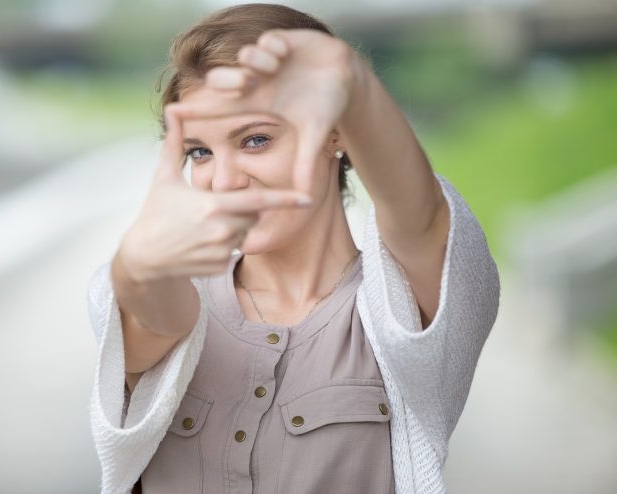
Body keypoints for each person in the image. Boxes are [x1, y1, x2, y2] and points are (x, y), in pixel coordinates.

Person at [87, 3, 500, 494]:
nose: (224, 180)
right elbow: (157, 312)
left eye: (255, 140)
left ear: (336, 134)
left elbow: (422, 215)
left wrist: (353, 84)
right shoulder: (178, 292)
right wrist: (135, 264)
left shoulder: (402, 308)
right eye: (200, 151)